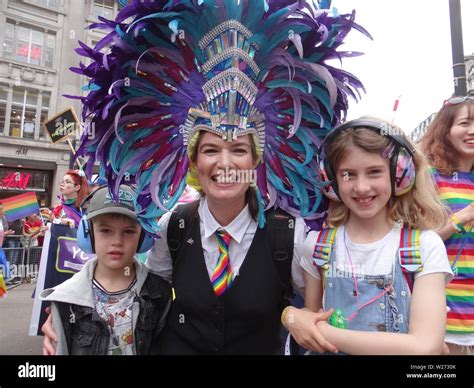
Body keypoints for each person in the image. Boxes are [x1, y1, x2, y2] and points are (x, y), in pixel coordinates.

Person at [43, 0, 369, 354]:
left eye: (239, 150)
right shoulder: (175, 227)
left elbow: (323, 304)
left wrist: (294, 316)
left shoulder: (288, 234)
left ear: (256, 161)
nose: (225, 163)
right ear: (195, 162)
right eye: (211, 150)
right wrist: (66, 307)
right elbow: (134, 284)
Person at [283, 118, 453, 355]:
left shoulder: (425, 246)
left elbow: (424, 347)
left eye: (374, 172)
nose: (361, 187)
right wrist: (293, 316)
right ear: (331, 179)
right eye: (348, 174)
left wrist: (316, 328)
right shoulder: (317, 246)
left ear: (400, 174)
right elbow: (312, 315)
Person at [40, 185, 172, 355]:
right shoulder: (66, 299)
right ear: (88, 234)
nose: (117, 241)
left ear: (144, 238)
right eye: (106, 230)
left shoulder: (159, 293)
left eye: (129, 231)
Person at [420, 96, 474, 355]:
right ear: (446, 130)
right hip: (448, 313)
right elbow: (415, 241)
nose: (472, 131)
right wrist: (461, 218)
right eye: (465, 123)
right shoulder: (430, 177)